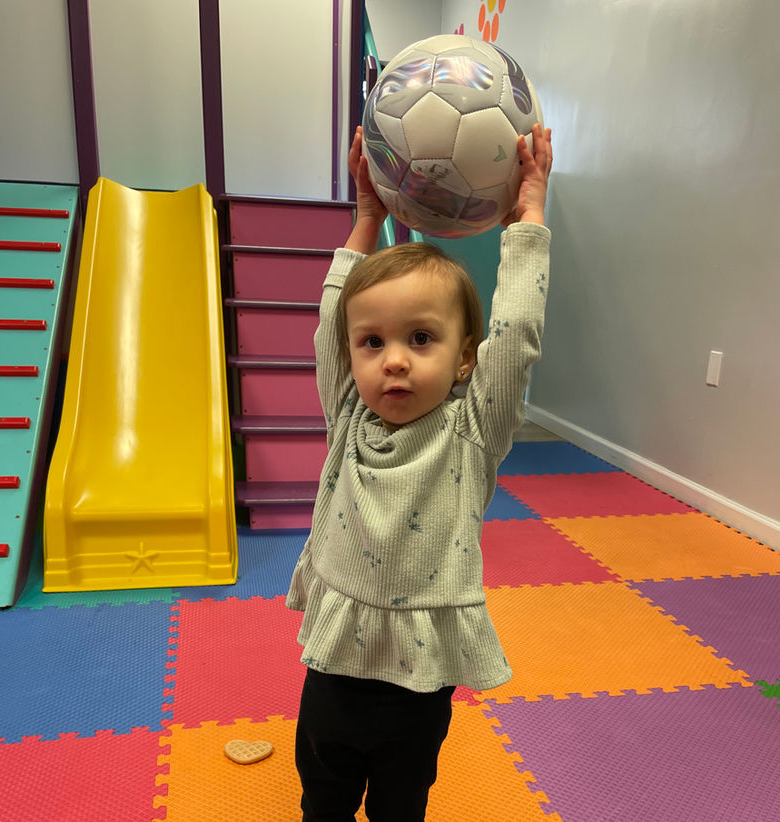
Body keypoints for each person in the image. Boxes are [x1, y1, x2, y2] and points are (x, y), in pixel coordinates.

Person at [287, 122, 553, 821]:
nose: (394, 360)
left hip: (419, 683)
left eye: (421, 338)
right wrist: (367, 218)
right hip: (333, 670)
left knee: (400, 807)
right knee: (323, 798)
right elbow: (328, 323)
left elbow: (516, 337)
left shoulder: (472, 428)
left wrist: (528, 219)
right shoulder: (347, 414)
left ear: (465, 359)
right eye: (372, 343)